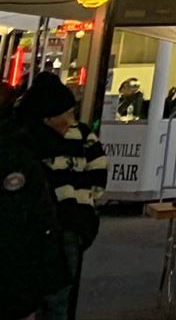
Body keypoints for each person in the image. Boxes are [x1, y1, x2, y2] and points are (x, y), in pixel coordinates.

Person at [14, 73, 105, 320]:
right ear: (50, 116)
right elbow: (99, 173)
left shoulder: (23, 142)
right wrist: (85, 205)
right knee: (58, 297)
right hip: (67, 227)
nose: (70, 119)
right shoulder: (83, 135)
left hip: (45, 229)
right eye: (67, 113)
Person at [0, 103, 69, 320]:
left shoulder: (22, 151)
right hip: (18, 272)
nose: (70, 121)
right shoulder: (19, 156)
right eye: (66, 113)